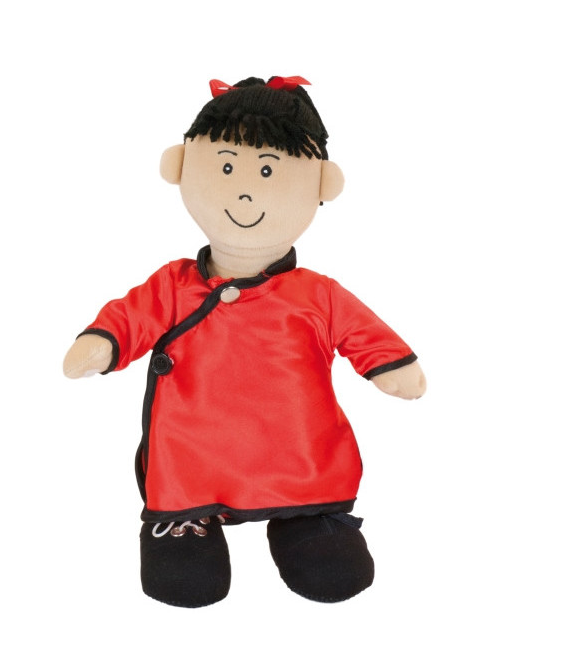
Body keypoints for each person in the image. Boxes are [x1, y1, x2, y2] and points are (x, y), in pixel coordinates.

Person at [63, 76, 426, 607]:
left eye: (267, 171)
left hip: (300, 456)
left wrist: (391, 364)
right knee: (187, 580)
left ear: (322, 185)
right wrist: (104, 340)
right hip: (192, 455)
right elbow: (131, 316)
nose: (244, 190)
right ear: (180, 167)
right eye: (227, 167)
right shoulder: (175, 283)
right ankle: (186, 522)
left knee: (332, 572)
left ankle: (308, 517)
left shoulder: (316, 293)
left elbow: (363, 332)